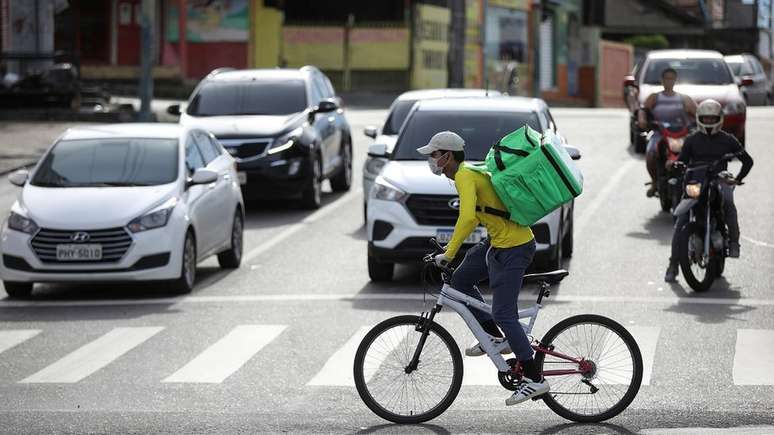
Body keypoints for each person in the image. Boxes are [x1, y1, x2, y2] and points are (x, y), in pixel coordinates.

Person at [416, 130, 548, 405]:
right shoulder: (466, 173)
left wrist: (449, 253)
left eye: (433, 154)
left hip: (513, 248)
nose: (430, 159)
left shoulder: (464, 175)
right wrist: (450, 252)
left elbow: (466, 219)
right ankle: (494, 338)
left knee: (503, 312)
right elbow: (477, 217)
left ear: (447, 157)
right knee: (460, 281)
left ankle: (535, 378)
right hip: (496, 243)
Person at [665, 99, 754, 283]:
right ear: (698, 118)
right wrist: (675, 166)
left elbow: (747, 160)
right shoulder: (691, 139)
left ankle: (734, 243)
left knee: (728, 203)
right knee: (681, 221)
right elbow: (682, 160)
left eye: (712, 118)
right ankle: (673, 265)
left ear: (720, 119)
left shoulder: (728, 139)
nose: (708, 121)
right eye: (704, 118)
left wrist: (737, 179)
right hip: (696, 181)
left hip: (719, 179)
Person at [639, 67, 697, 197]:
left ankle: (692, 181)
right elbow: (643, 110)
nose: (669, 81)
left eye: (672, 78)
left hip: (681, 134)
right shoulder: (654, 97)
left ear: (676, 80)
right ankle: (655, 182)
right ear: (662, 80)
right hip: (660, 133)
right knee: (651, 153)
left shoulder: (684, 98)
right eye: (667, 78)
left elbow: (698, 112)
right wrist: (642, 120)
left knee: (693, 152)